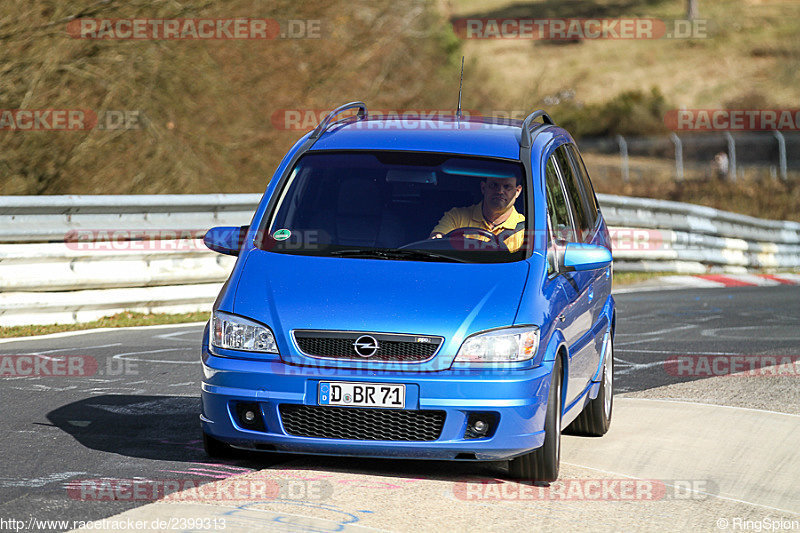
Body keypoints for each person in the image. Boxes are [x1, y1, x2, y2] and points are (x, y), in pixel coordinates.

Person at [429, 176, 525, 252]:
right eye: (493, 185)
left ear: (517, 191)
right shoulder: (457, 217)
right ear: (483, 188)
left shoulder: (526, 228)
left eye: (507, 187)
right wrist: (437, 238)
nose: (500, 191)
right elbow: (435, 245)